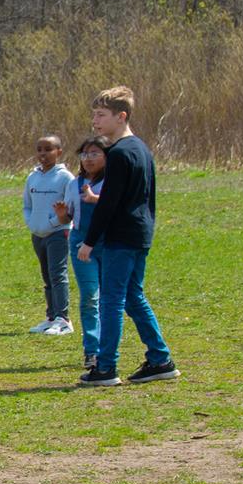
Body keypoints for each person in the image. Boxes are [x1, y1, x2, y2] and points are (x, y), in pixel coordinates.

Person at [76, 86, 179, 387]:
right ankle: (160, 359)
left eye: (101, 115)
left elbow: (110, 203)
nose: (95, 121)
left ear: (121, 116)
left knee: (111, 300)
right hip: (139, 233)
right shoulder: (141, 148)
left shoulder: (120, 153)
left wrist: (89, 241)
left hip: (122, 237)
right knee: (133, 296)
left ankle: (106, 367)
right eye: (94, 115)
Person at [57, 136, 109, 372]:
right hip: (80, 243)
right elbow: (69, 217)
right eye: (85, 154)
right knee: (90, 296)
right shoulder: (73, 184)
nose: (88, 159)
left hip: (110, 243)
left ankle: (109, 350)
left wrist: (95, 199)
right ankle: (92, 351)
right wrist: (61, 215)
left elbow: (119, 207)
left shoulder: (113, 181)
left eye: (95, 153)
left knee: (112, 298)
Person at [23, 135, 80, 335]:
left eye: (48, 149)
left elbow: (69, 208)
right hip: (38, 234)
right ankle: (51, 316)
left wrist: (52, 222)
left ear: (59, 152)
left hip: (58, 233)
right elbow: (27, 205)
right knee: (47, 276)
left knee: (58, 274)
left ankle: (63, 319)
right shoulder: (33, 177)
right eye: (39, 149)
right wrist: (32, 223)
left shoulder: (65, 178)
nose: (43, 154)